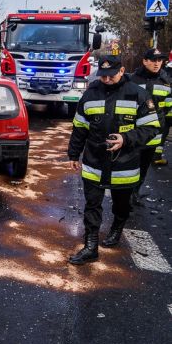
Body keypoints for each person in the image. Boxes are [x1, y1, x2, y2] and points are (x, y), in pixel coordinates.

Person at [67, 55, 159, 265]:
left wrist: (126, 139)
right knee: (92, 204)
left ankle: (117, 227)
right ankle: (90, 247)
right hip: (94, 161)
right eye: (103, 76)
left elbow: (151, 128)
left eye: (111, 75)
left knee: (122, 204)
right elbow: (80, 127)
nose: (107, 79)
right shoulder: (90, 94)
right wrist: (73, 154)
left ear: (122, 71)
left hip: (124, 164)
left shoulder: (138, 94)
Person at [129, 49, 171, 205]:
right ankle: (126, 196)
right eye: (153, 60)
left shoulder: (166, 82)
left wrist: (162, 124)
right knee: (130, 166)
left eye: (160, 60)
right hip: (133, 132)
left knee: (144, 167)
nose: (157, 63)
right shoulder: (132, 80)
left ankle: (135, 193)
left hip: (154, 133)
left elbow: (168, 108)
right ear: (145, 61)